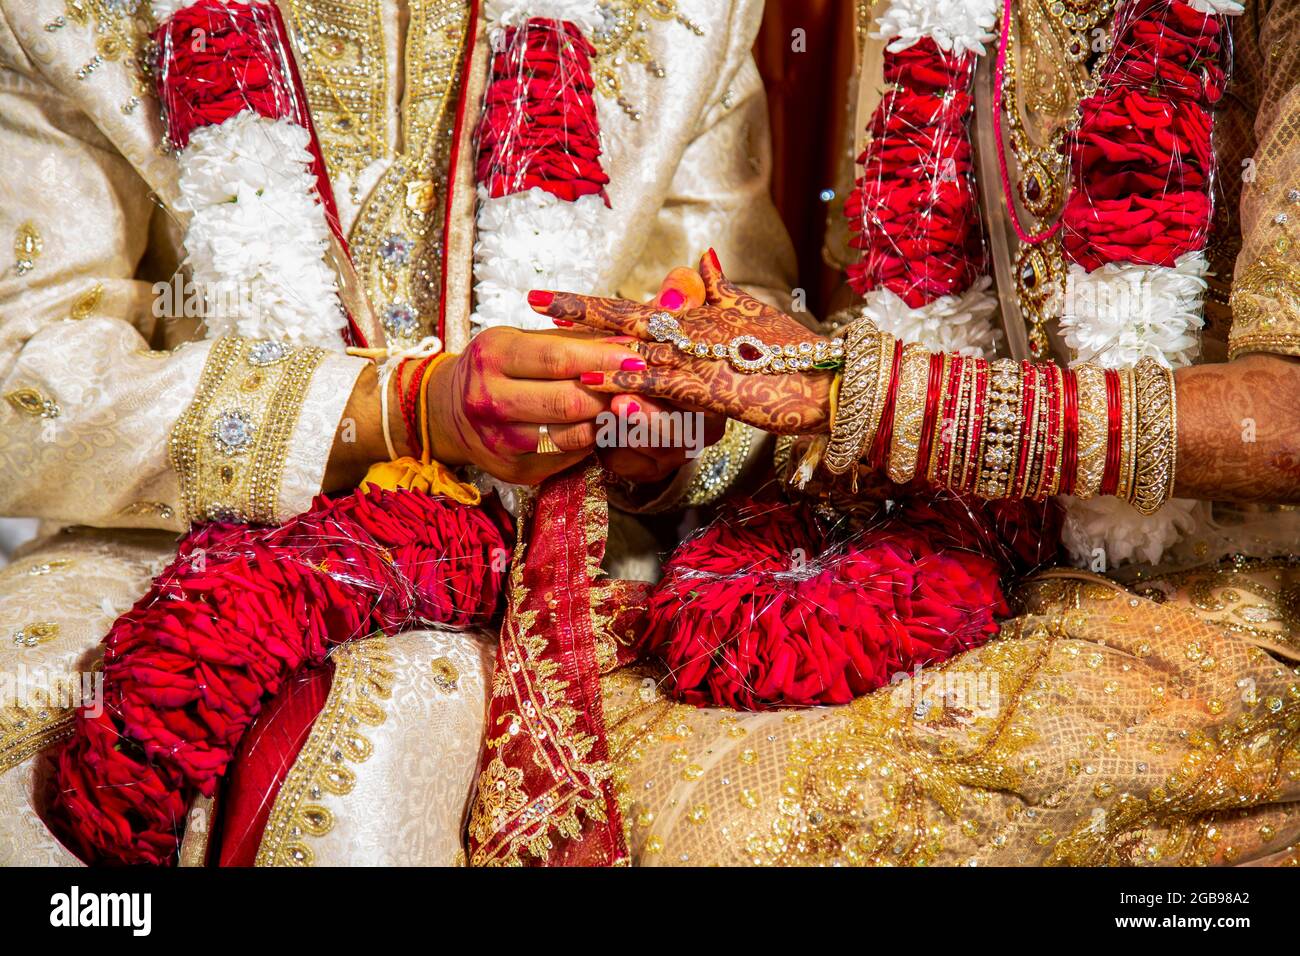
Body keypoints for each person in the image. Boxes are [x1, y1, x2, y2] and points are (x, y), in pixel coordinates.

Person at [0, 0, 793, 865]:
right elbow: (23, 379)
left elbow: (763, 363)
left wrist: (666, 437)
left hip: (556, 560)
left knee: (376, 763)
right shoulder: (65, 14)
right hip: (156, 532)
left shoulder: (687, 16)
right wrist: (408, 405)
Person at [514, 0, 1300, 865]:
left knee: (757, 825)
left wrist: (873, 394)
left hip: (1237, 597)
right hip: (1003, 555)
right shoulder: (934, 16)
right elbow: (882, 358)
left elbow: (1289, 421)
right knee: (608, 743)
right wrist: (680, 440)